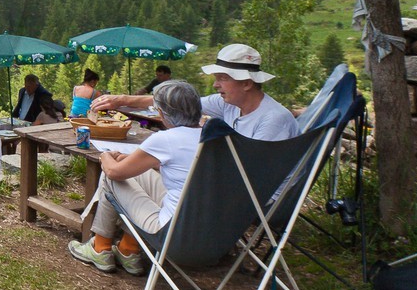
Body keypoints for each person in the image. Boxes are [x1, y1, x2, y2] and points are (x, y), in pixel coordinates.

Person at [69, 79, 205, 274]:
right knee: (143, 173)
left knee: (111, 176)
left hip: (171, 233)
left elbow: (115, 172)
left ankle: (100, 247)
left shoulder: (165, 139)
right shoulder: (209, 137)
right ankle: (128, 250)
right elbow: (179, 166)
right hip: (207, 233)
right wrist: (132, 160)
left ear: (162, 112)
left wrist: (105, 156)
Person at [93, 44, 297, 141]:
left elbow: (252, 174)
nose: (215, 85)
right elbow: (177, 102)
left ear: (246, 83)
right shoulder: (228, 103)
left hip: (256, 202)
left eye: (222, 78)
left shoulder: (273, 119)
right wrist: (122, 100)